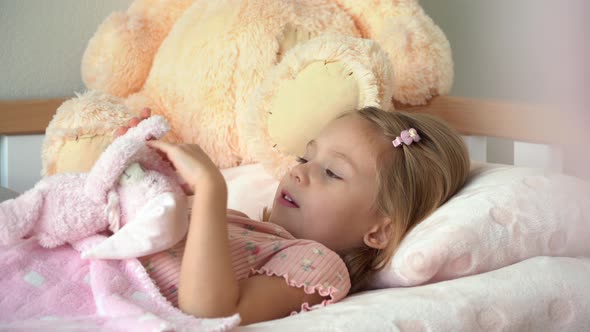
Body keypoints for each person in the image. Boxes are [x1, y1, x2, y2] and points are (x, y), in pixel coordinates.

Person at [120, 106, 470, 325]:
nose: (298, 173)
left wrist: (212, 190)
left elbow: (208, 312)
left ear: (379, 232)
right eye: (305, 159)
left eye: (332, 172)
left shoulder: (317, 264)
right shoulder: (244, 223)